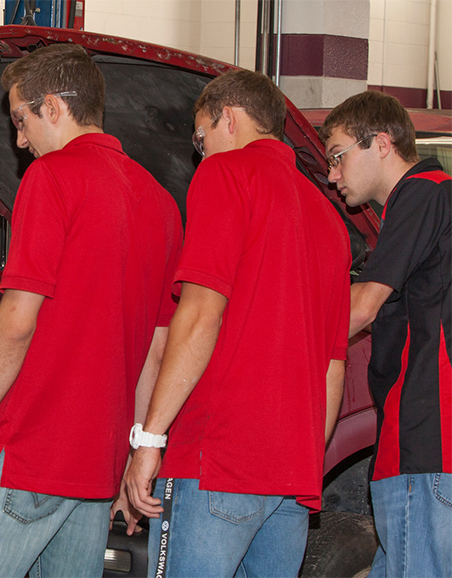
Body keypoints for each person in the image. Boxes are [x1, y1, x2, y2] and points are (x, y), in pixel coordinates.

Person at [0, 43, 182, 578]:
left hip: (29, 454)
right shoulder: (160, 203)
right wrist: (131, 454)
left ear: (55, 107)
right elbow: (155, 350)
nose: (18, 140)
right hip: (95, 468)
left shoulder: (52, 177)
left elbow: (18, 322)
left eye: (21, 120)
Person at [123, 70, 351, 578]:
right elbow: (334, 366)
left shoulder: (226, 174)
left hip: (218, 460)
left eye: (200, 139)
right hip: (292, 477)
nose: (200, 154)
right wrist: (306, 459)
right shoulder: (330, 218)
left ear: (229, 118)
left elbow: (200, 313)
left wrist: (150, 440)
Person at [319, 91, 451, 578]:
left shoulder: (424, 192)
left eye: (337, 156)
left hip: (424, 440)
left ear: (380, 143)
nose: (332, 175)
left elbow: (363, 307)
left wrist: (276, 333)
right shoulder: (429, 204)